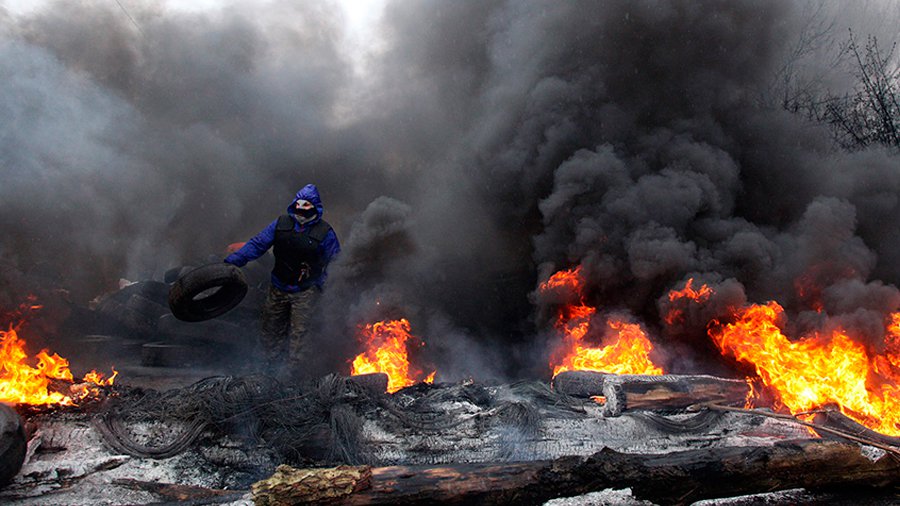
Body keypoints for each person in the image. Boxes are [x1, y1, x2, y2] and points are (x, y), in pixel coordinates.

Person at [225, 184, 340, 372]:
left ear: (315, 207)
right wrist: (233, 262)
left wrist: (321, 284)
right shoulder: (281, 225)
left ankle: (295, 377)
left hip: (305, 291)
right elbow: (258, 244)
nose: (301, 211)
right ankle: (266, 372)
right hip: (278, 287)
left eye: (306, 206)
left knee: (300, 337)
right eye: (299, 205)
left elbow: (336, 261)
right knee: (270, 331)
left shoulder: (324, 233)